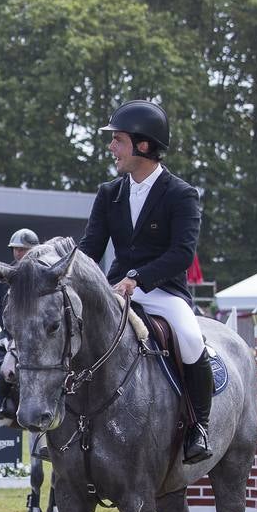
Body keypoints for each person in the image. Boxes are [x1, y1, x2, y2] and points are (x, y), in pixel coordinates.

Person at [75, 100, 213, 463]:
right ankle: (63, 423)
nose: (111, 148)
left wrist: (138, 278)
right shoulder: (110, 193)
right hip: (116, 291)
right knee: (76, 336)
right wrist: (69, 273)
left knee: (190, 337)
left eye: (117, 140)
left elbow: (182, 254)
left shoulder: (180, 194)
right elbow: (90, 247)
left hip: (163, 291)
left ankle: (199, 425)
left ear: (144, 145)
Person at [0, 228, 40, 419]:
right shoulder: (6, 274)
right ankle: (1, 403)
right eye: (16, 249)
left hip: (37, 332)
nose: (19, 253)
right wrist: (10, 331)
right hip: (12, 332)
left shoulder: (41, 274)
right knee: (9, 365)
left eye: (24, 249)